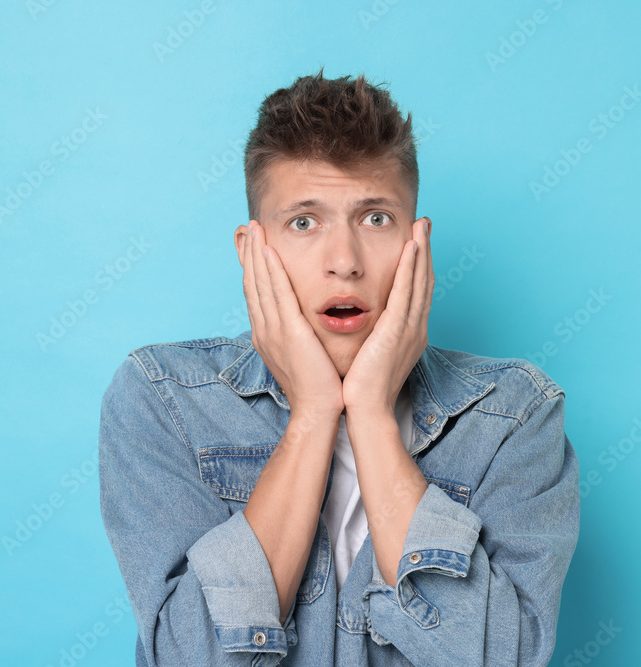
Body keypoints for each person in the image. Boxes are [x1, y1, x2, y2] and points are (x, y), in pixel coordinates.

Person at [99, 68, 580, 666]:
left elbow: (499, 660)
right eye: (304, 221)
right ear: (252, 252)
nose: (345, 262)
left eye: (376, 218)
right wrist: (313, 413)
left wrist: (374, 417)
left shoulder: (514, 414)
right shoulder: (163, 398)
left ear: (417, 242)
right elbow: (187, 658)